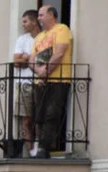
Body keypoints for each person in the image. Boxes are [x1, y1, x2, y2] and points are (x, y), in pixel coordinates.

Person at [30, 5, 73, 158]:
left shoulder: (62, 29)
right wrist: (39, 72)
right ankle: (39, 146)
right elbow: (31, 60)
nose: (39, 18)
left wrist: (45, 72)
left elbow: (59, 53)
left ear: (51, 15)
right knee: (39, 115)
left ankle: (45, 147)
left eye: (41, 15)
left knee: (52, 113)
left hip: (58, 79)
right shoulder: (39, 37)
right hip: (40, 81)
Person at [11, 10, 40, 157]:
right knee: (26, 118)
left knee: (40, 116)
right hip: (23, 83)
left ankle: (40, 146)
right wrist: (29, 59)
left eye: (25, 21)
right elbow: (16, 62)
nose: (23, 25)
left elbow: (43, 61)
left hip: (40, 81)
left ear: (34, 22)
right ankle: (31, 149)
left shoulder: (43, 38)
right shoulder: (22, 39)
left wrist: (26, 58)